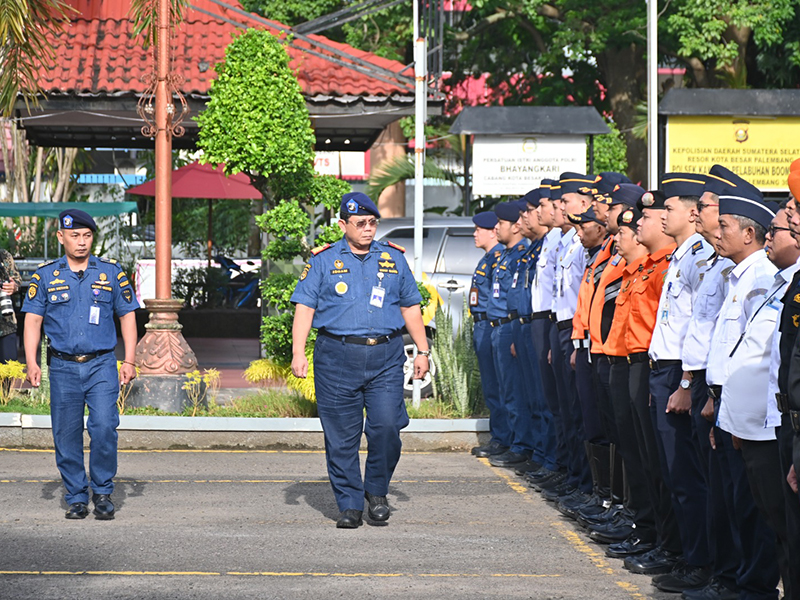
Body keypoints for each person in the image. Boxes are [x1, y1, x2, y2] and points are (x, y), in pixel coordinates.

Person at [290, 192, 430, 529]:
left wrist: (423, 350)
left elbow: (410, 306)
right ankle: (350, 503)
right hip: (336, 357)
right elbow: (304, 307)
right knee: (341, 436)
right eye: (360, 224)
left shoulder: (393, 259)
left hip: (385, 355)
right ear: (343, 225)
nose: (368, 229)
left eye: (372, 223)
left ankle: (377, 491)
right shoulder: (323, 261)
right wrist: (298, 351)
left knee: (386, 426)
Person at [22, 209, 138, 520]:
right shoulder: (45, 276)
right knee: (66, 432)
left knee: (103, 427)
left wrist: (129, 359)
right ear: (61, 237)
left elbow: (127, 315)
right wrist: (31, 362)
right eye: (75, 236)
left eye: (87, 236)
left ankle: (101, 491)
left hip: (101, 364)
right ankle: (75, 495)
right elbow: (33, 320)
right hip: (62, 367)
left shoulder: (111, 273)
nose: (82, 242)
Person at [486, 201, 530, 468]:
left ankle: (520, 444)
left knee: (515, 392)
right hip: (498, 326)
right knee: (503, 390)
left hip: (510, 325)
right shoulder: (505, 254)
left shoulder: (520, 254)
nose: (496, 228)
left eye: (500, 223)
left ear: (515, 226)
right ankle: (512, 441)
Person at [468, 211, 508, 459]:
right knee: (491, 386)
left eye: (479, 229)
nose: (475, 233)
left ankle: (502, 439)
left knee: (498, 386)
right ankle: (499, 437)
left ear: (493, 231)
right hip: (481, 324)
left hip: (490, 324)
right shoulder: (488, 258)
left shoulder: (497, 258)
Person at [0, 248, 22, 362]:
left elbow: (17, 280)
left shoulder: (4, 255)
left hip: (6, 323)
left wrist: (14, 287)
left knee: (9, 372)